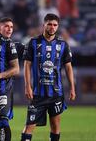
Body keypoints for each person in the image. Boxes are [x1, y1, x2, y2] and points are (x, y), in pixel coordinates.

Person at [21, 13, 76, 141]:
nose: (52, 27)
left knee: (55, 126)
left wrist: (72, 88)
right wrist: (27, 86)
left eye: (55, 25)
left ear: (58, 26)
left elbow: (68, 67)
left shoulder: (63, 44)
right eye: (49, 24)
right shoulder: (33, 42)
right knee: (29, 125)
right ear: (43, 25)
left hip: (56, 93)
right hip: (37, 93)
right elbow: (27, 65)